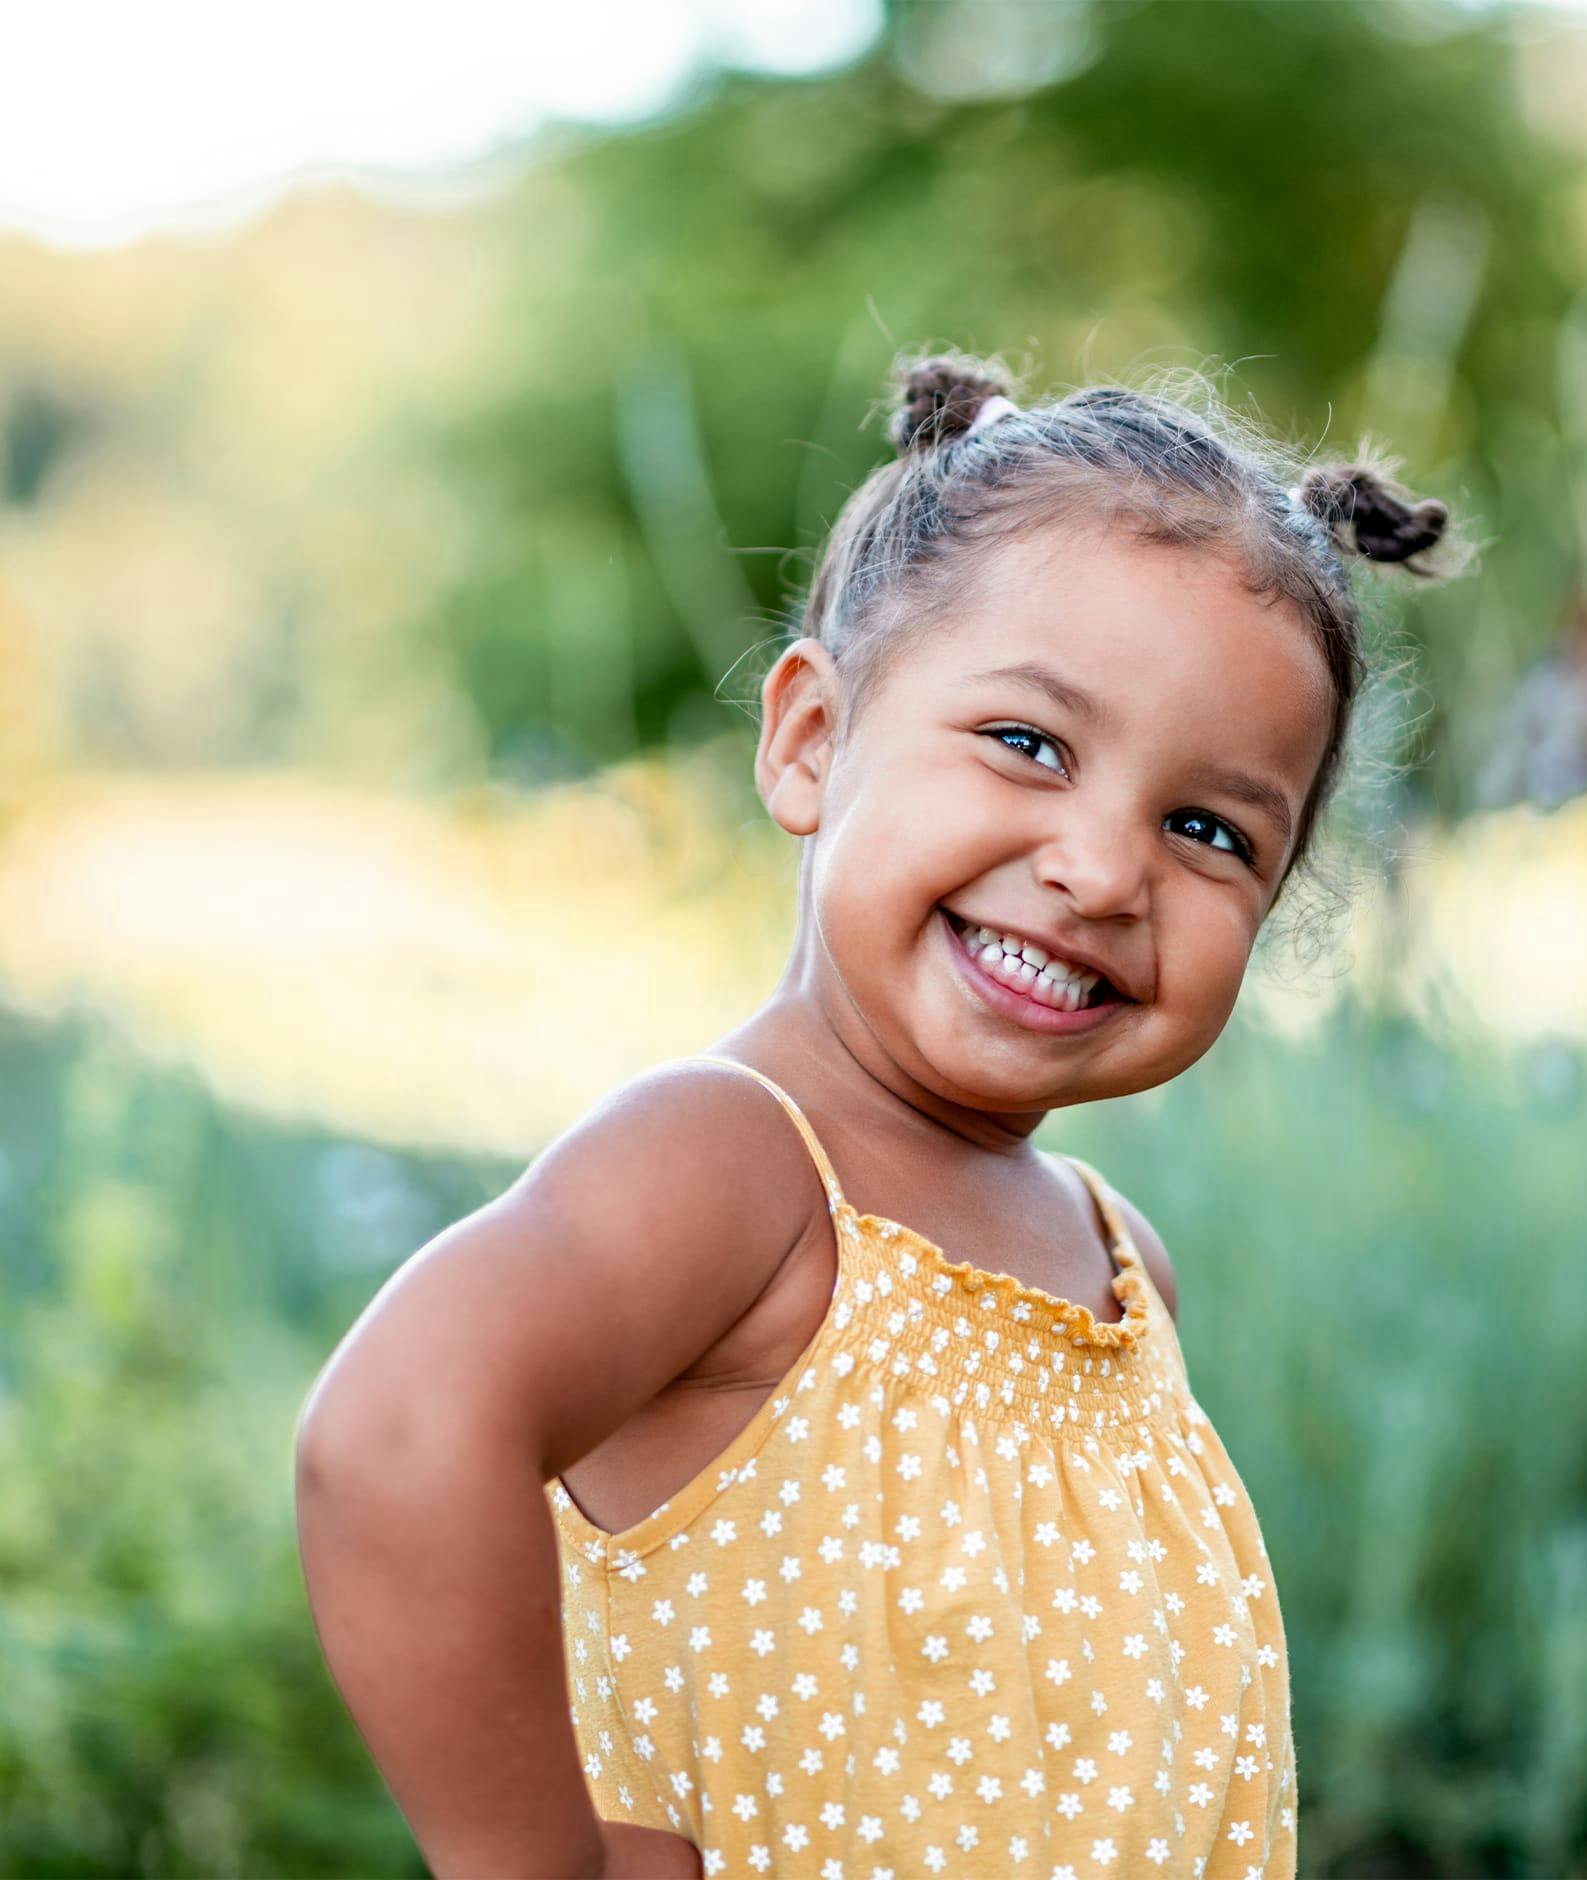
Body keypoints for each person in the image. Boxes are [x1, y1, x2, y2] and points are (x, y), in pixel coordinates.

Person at [294, 349, 1457, 1879]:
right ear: (810, 741)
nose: (1105, 872)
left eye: (1205, 828)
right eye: (1030, 745)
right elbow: (395, 1437)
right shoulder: (734, 1167)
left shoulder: (1122, 1271)